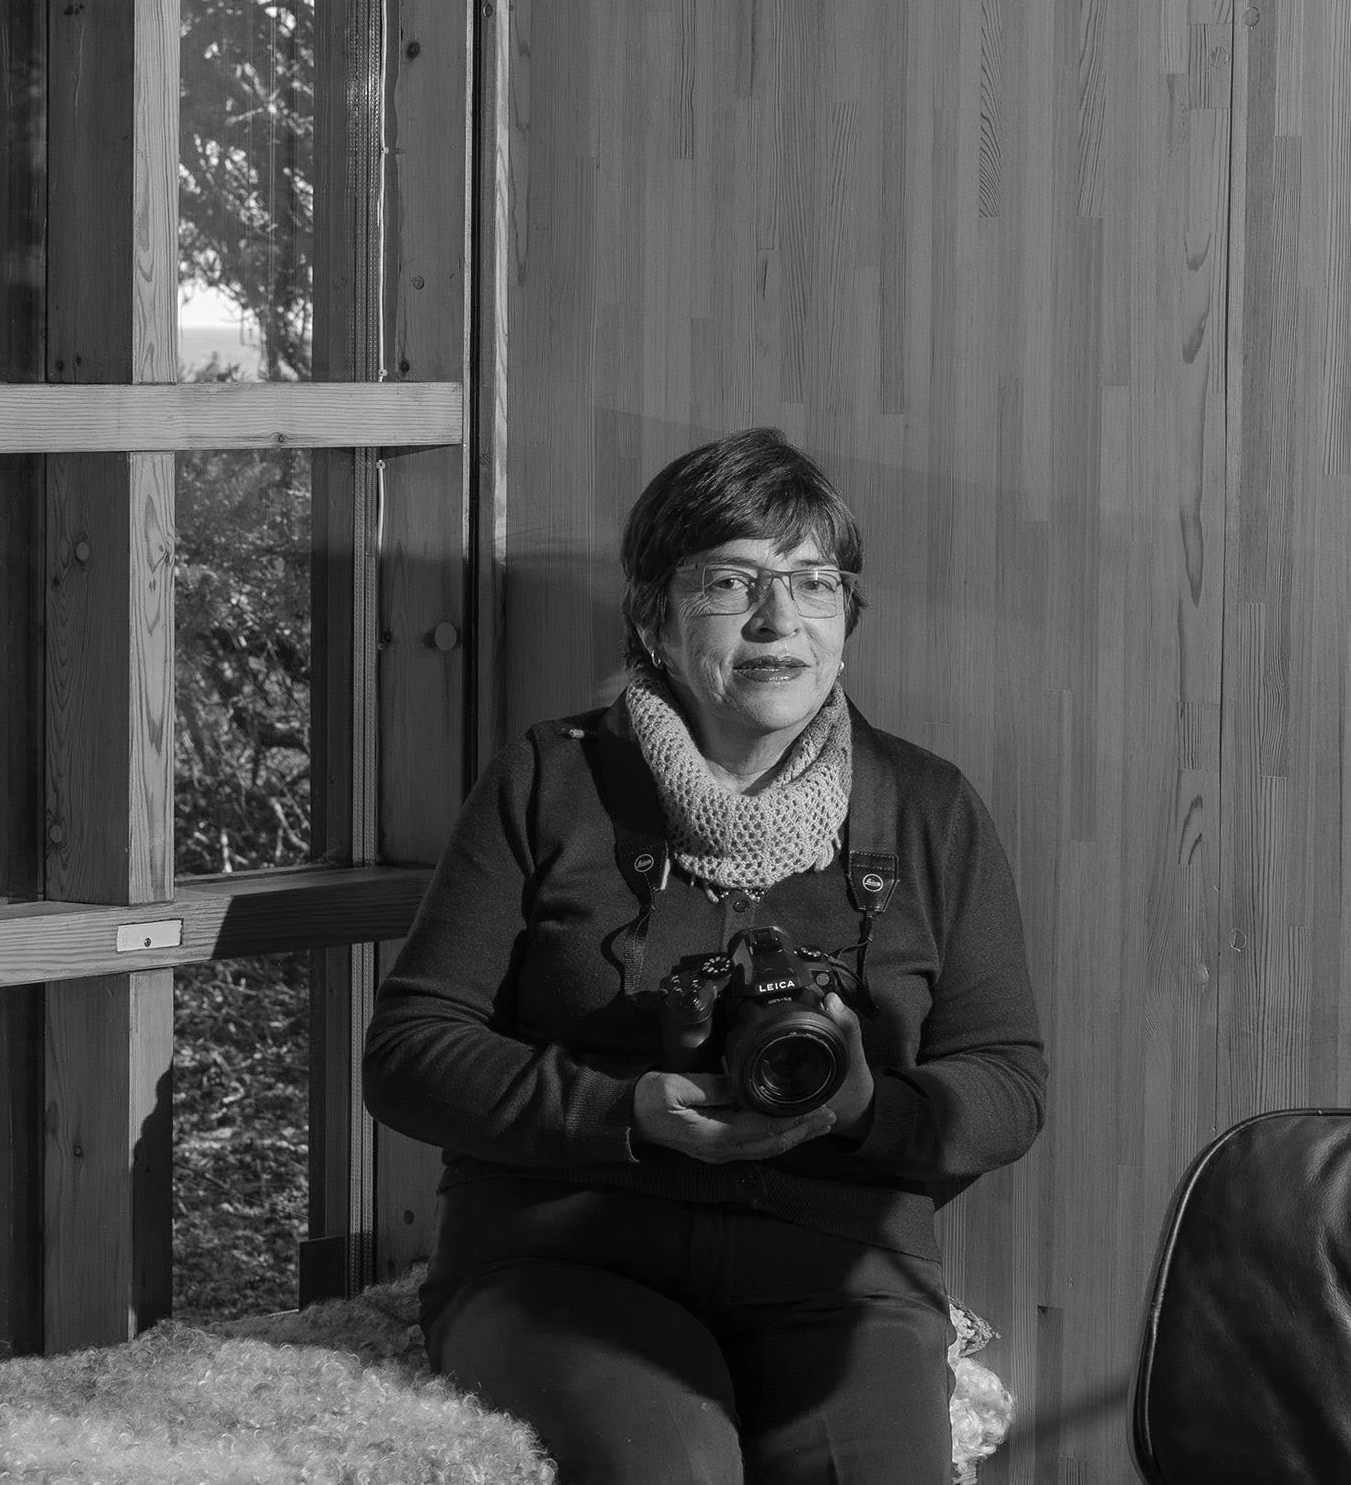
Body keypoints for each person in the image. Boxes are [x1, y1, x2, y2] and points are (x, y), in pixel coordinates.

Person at [362, 428, 1046, 1485]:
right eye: (731, 582)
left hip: (838, 1271)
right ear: (653, 619)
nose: (780, 620)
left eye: (814, 583)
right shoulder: (548, 782)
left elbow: (1007, 1081)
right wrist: (624, 1110)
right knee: (670, 1467)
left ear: (846, 619)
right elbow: (408, 1053)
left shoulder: (927, 808)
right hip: (560, 1257)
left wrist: (866, 1108)